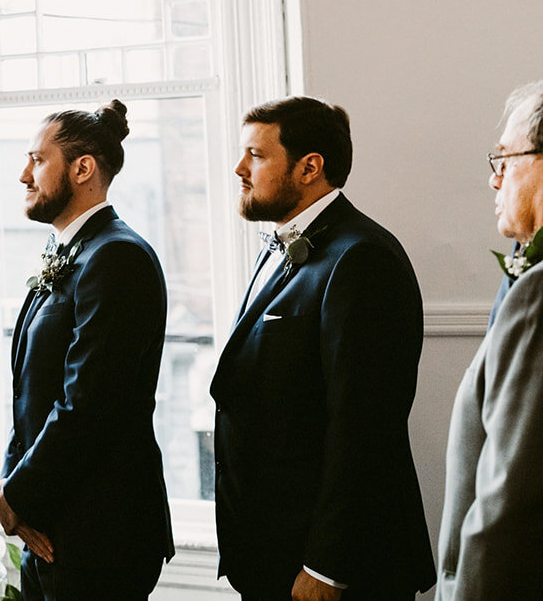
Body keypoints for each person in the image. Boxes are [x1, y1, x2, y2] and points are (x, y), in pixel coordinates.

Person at [211, 97, 434, 601]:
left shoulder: (362, 258)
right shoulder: (281, 248)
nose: (239, 169)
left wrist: (326, 567)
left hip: (333, 569)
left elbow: (364, 424)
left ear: (311, 167)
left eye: (256, 155)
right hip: (270, 554)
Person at [0, 100, 173, 600]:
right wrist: (16, 495)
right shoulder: (67, 251)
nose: (24, 175)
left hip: (101, 531)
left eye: (37, 160)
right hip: (51, 522)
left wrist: (20, 494)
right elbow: (32, 394)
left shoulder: (117, 256)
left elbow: (89, 401)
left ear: (83, 168)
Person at [436, 80, 543, 598]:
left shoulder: (539, 293)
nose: (494, 179)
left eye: (506, 158)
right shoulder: (524, 279)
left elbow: (509, 499)